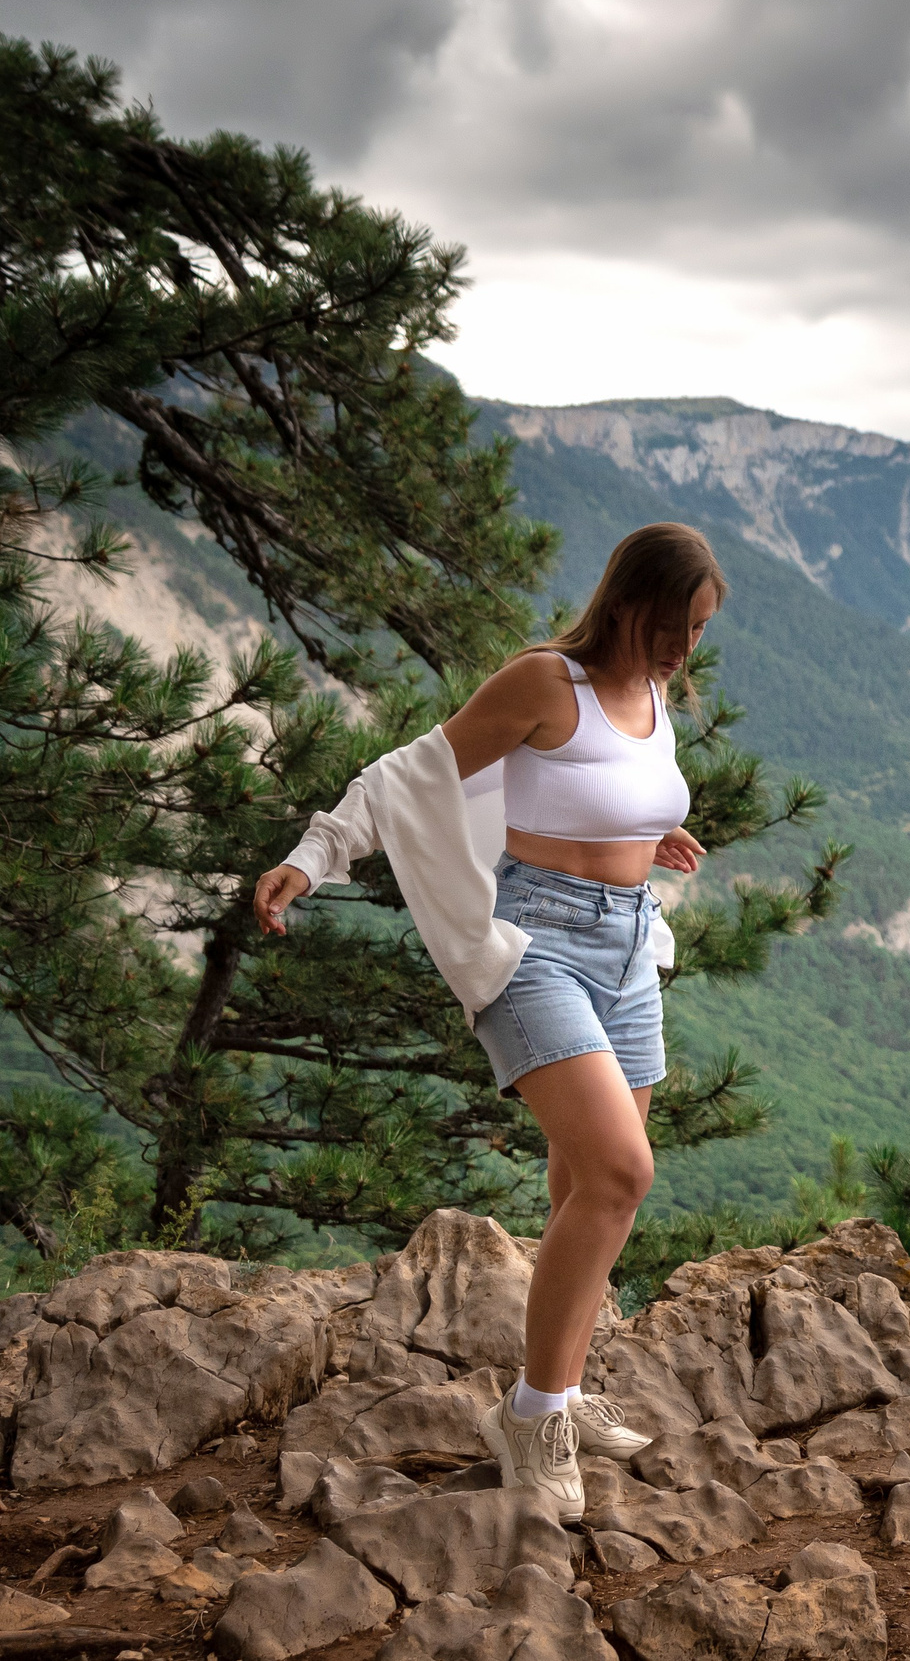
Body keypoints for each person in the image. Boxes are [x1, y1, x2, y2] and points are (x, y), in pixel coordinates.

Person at [251, 522, 724, 1522]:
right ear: (630, 601)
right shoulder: (547, 681)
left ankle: (558, 1381)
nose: (685, 647)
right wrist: (315, 853)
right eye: (674, 623)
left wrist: (647, 823)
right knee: (619, 1173)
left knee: (580, 1187)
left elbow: (594, 785)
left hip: (631, 948)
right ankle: (533, 1417)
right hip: (537, 941)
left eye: (698, 630)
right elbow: (408, 778)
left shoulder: (650, 695)